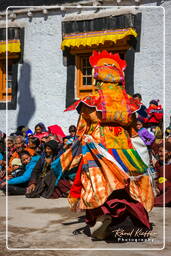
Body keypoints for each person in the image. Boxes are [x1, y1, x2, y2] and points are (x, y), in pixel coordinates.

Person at [57, 50, 154, 240]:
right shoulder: (129, 104)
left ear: (98, 79)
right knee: (127, 187)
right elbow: (133, 132)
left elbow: (81, 131)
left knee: (97, 185)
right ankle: (127, 225)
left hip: (98, 150)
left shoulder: (91, 102)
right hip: (125, 152)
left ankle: (102, 217)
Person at [154, 142, 171, 207]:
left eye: (161, 152)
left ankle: (154, 201)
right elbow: (156, 178)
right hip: (162, 190)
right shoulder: (158, 164)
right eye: (158, 152)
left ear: (169, 153)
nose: (159, 154)